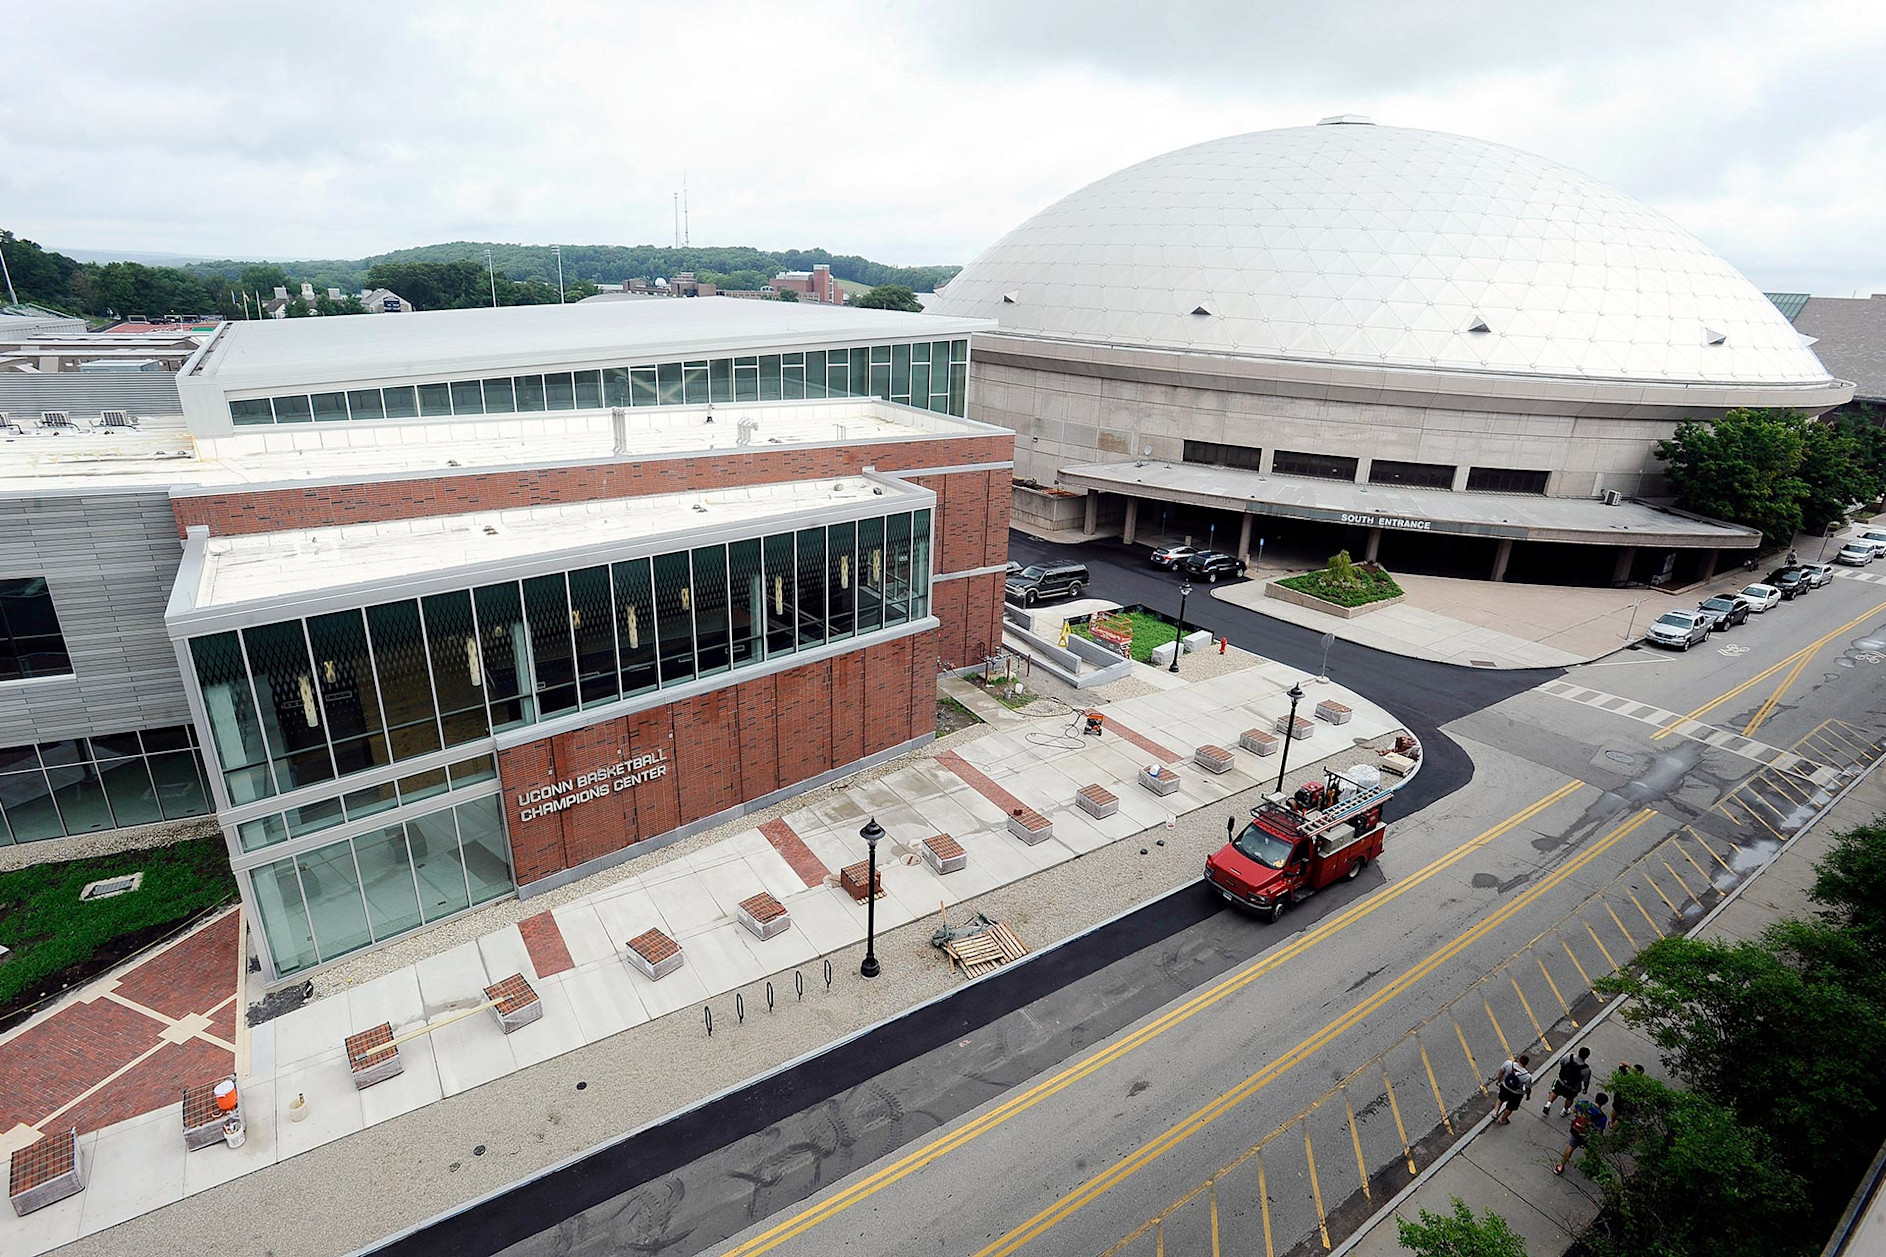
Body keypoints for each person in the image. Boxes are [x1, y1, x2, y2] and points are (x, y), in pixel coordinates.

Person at [1554, 1092, 1609, 1175]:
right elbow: (1599, 1132)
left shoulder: (1584, 1103)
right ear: (1604, 1103)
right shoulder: (1602, 1117)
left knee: (1571, 1146)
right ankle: (1588, 1169)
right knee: (1590, 1151)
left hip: (1576, 1130)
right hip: (1587, 1135)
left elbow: (1575, 1110)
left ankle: (1560, 1166)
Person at [1545, 1046, 1593, 1117]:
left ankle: (1548, 1104)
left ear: (1579, 1052)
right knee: (1570, 1098)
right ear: (1587, 1056)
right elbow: (1586, 1081)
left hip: (1561, 1081)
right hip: (1572, 1087)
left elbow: (1561, 1062)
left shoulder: (1568, 1057)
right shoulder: (1586, 1069)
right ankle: (1564, 1110)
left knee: (1555, 1091)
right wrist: (1585, 1088)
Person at [1492, 1053, 1533, 1125]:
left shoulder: (1508, 1064)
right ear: (1526, 1064)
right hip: (1516, 1093)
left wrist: (1498, 1080)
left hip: (1505, 1086)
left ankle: (1495, 1112)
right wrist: (1528, 1095)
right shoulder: (1527, 1076)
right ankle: (1503, 1120)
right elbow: (1527, 1088)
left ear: (1519, 1059)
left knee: (1501, 1098)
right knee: (1510, 1107)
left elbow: (1501, 1071)